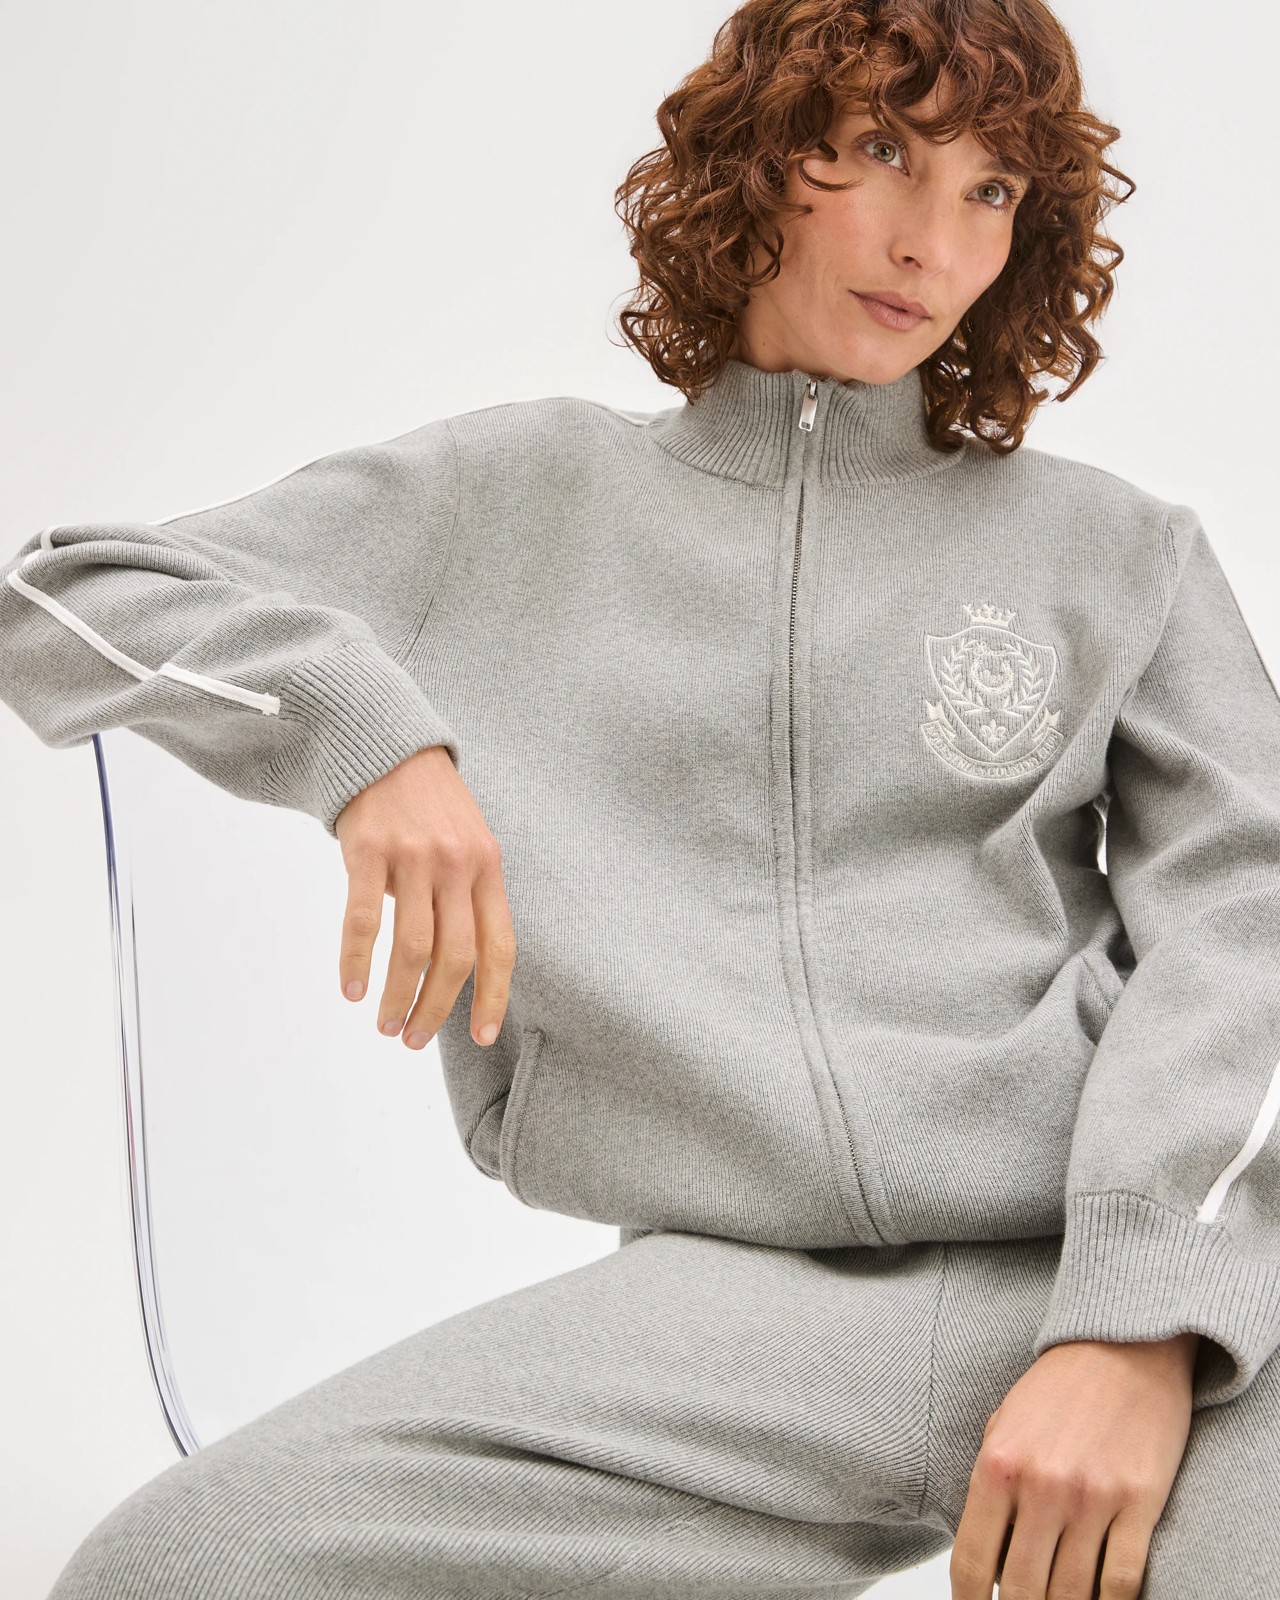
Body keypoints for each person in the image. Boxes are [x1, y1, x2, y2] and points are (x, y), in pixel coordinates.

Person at [4, 1, 1280, 1596]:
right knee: (175, 1568)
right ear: (762, 159)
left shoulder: (1119, 554)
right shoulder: (517, 499)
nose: (931, 241)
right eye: (883, 151)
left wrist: (1143, 1326)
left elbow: (1251, 927)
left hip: (1129, 1278)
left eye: (991, 191)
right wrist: (365, 739)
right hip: (721, 1338)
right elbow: (57, 600)